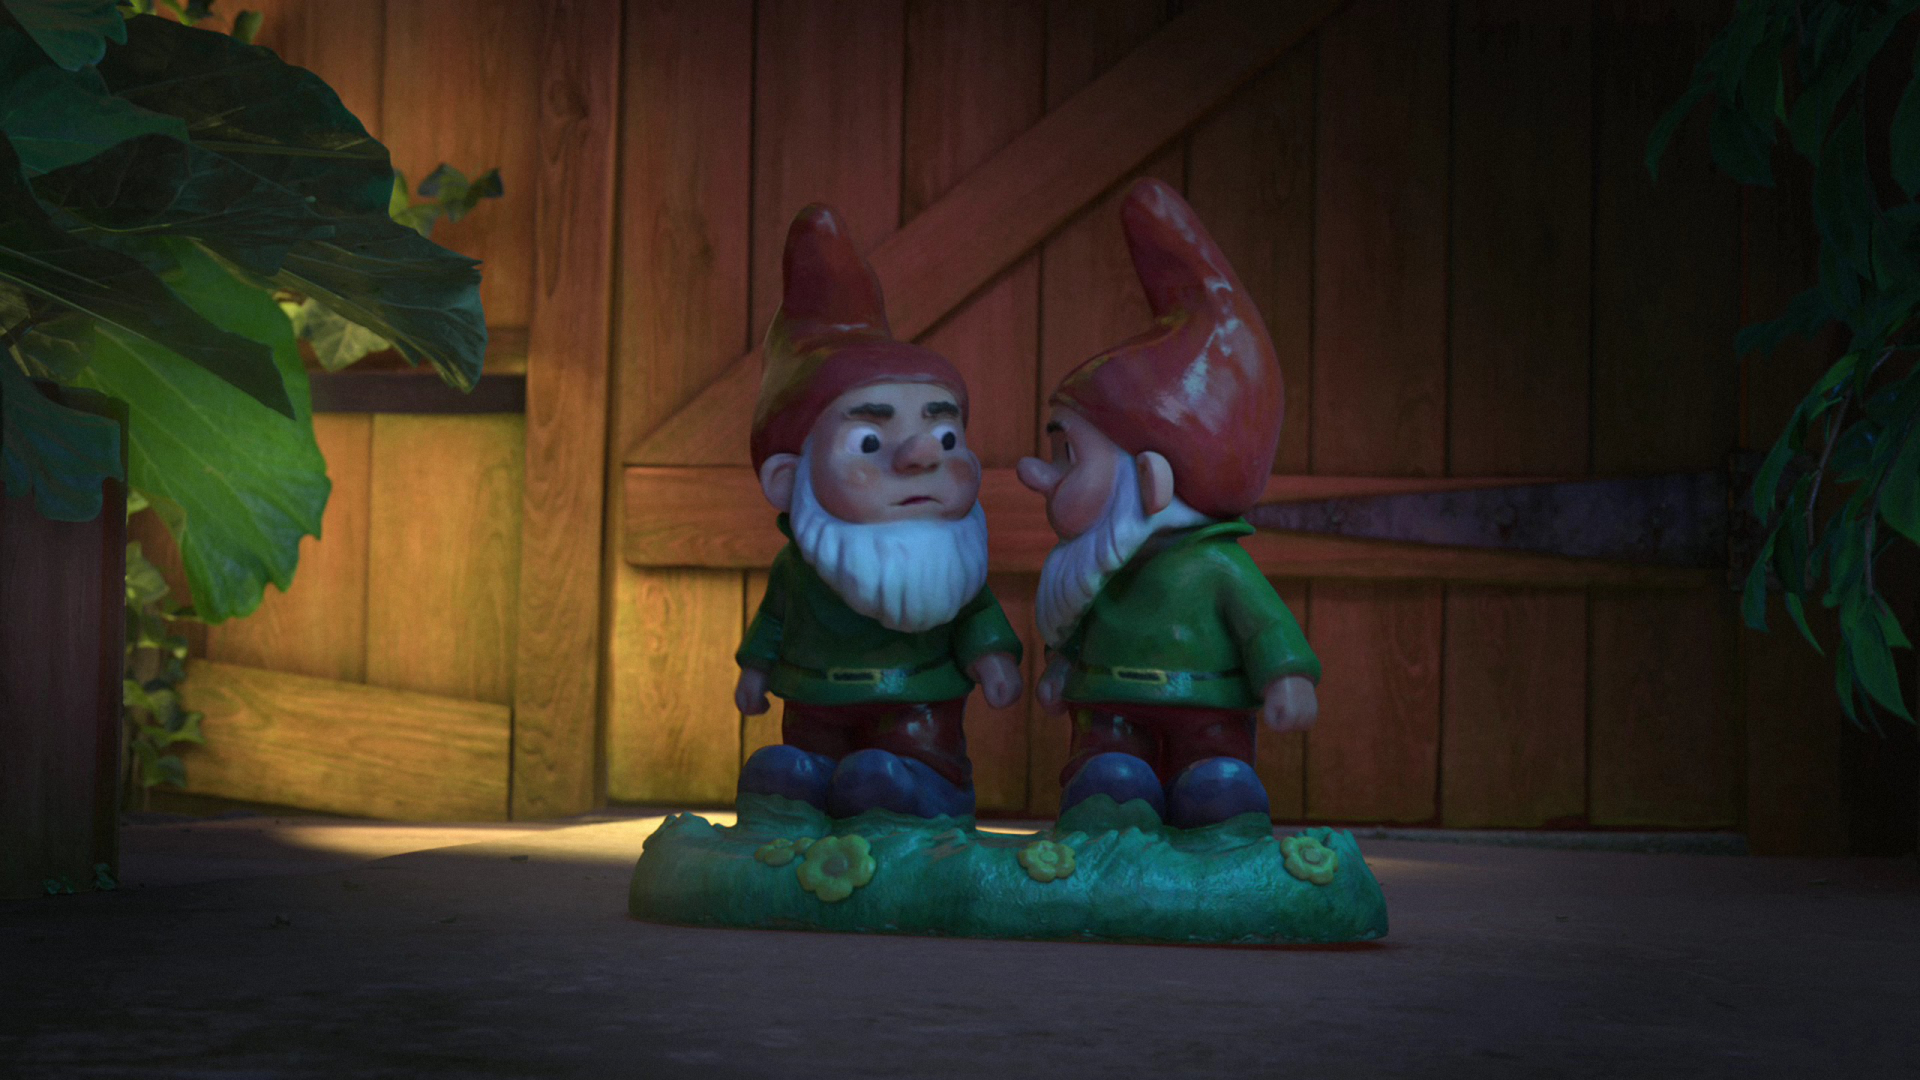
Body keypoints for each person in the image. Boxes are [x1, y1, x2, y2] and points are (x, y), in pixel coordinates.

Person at [1016, 178, 1320, 828]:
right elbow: (1078, 617)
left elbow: (1264, 625)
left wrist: (1286, 676)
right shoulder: (1103, 564)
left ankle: (1217, 811)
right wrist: (1061, 667)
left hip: (1208, 714)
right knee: (1108, 776)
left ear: (1149, 479)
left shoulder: (1216, 566)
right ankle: (1108, 806)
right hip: (1107, 709)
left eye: (1067, 454)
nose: (1037, 475)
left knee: (1214, 781)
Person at [734, 203, 1022, 819]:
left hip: (917, 705)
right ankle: (808, 789)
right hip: (814, 702)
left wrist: (992, 657)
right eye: (868, 441)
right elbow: (775, 623)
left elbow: (975, 614)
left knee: (896, 769)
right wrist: (754, 672)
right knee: (797, 766)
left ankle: (920, 788)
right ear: (788, 479)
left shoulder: (952, 569)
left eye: (946, 437)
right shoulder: (799, 570)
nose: (922, 455)